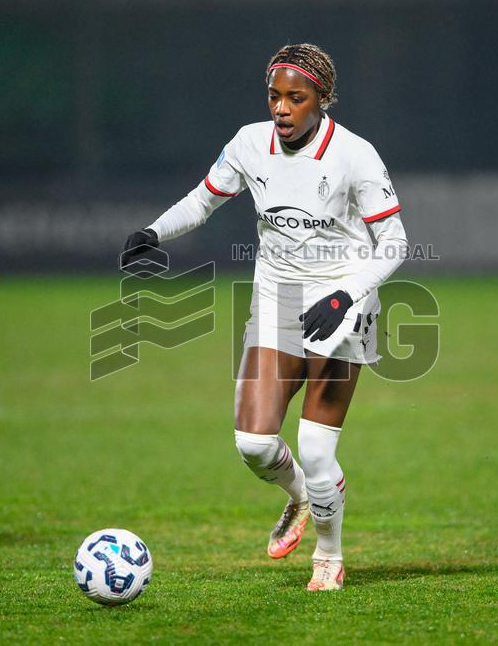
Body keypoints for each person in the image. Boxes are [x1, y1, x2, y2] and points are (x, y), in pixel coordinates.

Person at [121, 44, 407, 590]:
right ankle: (299, 498)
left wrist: (346, 296)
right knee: (253, 444)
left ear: (321, 100)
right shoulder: (249, 144)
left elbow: (393, 243)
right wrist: (154, 231)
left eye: (295, 98)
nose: (281, 107)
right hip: (277, 300)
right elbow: (203, 200)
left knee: (318, 451)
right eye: (274, 96)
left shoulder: (355, 155)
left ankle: (329, 555)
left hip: (342, 304)